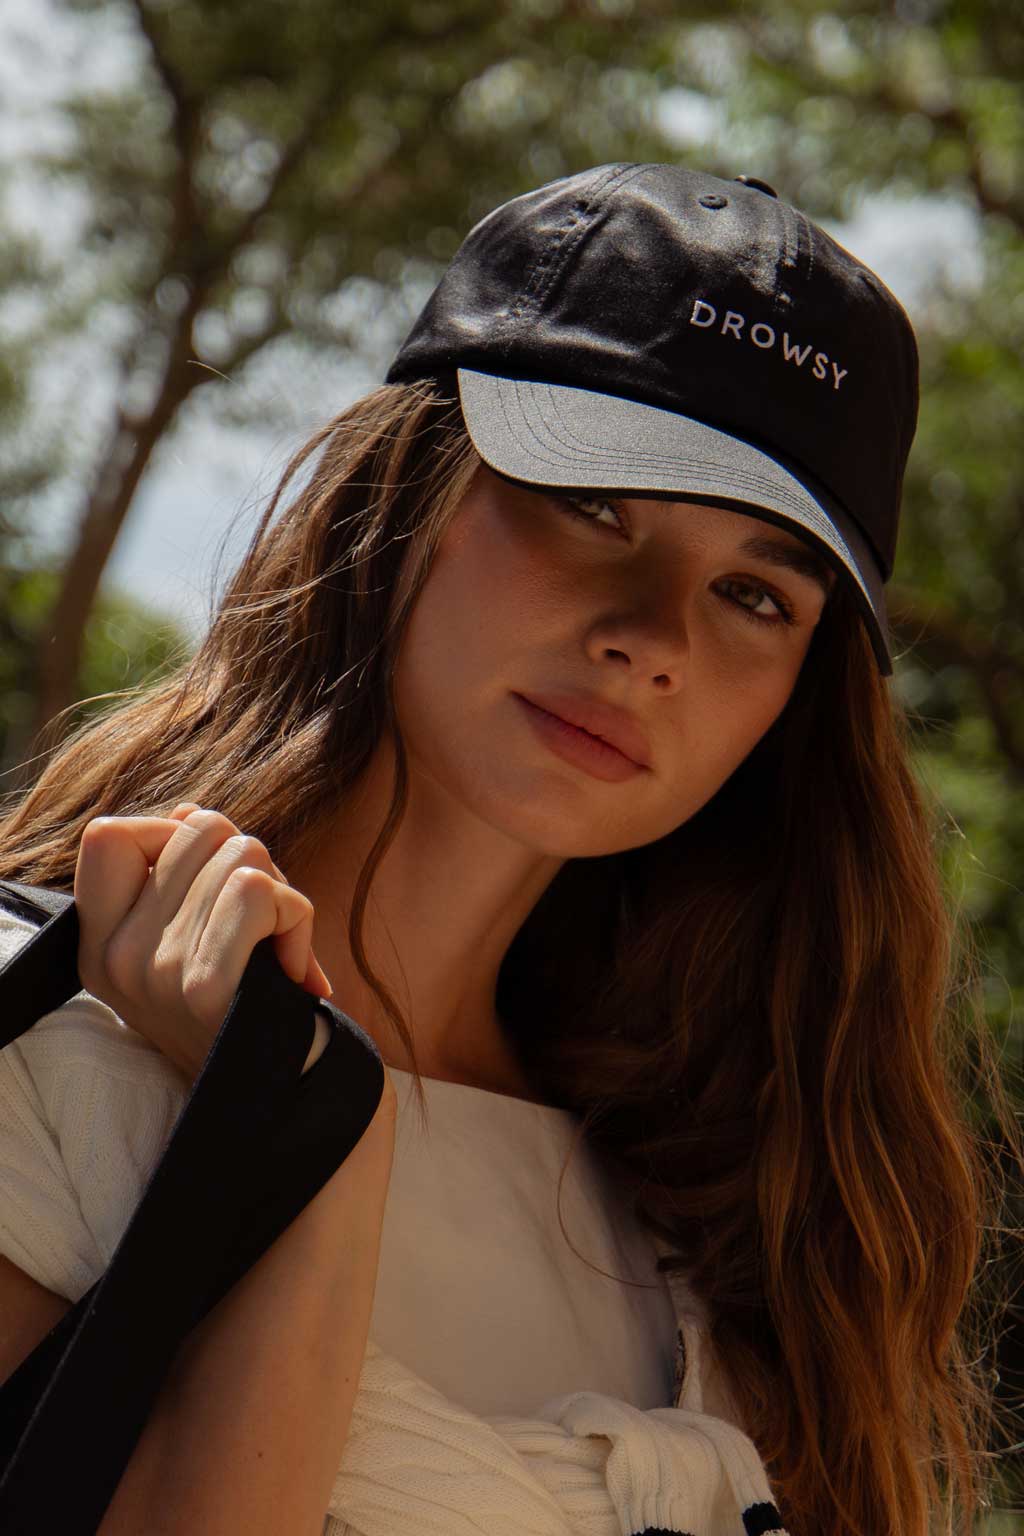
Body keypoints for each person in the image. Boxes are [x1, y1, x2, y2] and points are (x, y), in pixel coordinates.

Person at [0, 163, 1018, 1535]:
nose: (653, 640)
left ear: (794, 703)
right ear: (401, 495)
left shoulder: (723, 1221)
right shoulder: (36, 1062)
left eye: (752, 593)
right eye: (593, 503)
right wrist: (304, 1146)